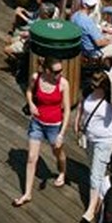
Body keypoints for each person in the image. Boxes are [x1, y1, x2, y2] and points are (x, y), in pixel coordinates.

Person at [12, 56, 71, 207]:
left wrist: (61, 134)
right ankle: (27, 193)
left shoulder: (63, 84)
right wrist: (31, 104)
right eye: (56, 71)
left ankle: (63, 172)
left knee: (58, 153)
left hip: (54, 126)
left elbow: (68, 110)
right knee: (32, 158)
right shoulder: (36, 78)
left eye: (61, 71)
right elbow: (29, 91)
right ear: (46, 70)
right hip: (37, 123)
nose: (60, 74)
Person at [76, 68, 112, 223]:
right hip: (89, 136)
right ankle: (103, 190)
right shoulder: (88, 90)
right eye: (93, 82)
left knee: (95, 174)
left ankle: (91, 209)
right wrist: (78, 122)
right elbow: (83, 106)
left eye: (98, 83)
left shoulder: (110, 97)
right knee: (94, 168)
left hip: (105, 139)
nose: (94, 86)